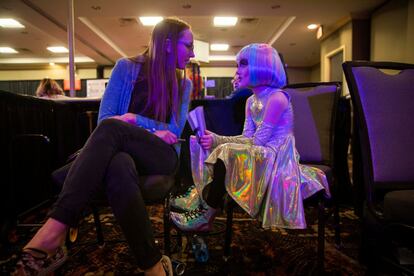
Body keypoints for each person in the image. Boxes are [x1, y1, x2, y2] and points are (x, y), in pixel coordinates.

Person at [12, 17, 195, 276]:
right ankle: (154, 265)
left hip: (161, 156)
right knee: (119, 163)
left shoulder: (184, 84)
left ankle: (53, 232)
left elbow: (173, 132)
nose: (193, 53)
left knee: (114, 130)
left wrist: (132, 120)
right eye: (188, 46)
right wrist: (151, 128)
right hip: (121, 154)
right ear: (167, 44)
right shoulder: (125, 67)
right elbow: (105, 121)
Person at [170, 43, 330, 232]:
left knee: (226, 152)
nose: (238, 71)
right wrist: (216, 139)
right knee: (212, 147)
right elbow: (248, 137)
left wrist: (220, 141)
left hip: (278, 157)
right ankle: (204, 205)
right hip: (262, 152)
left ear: (261, 65)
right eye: (238, 65)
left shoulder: (277, 98)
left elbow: (258, 141)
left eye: (243, 64)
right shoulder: (250, 101)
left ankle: (206, 214)